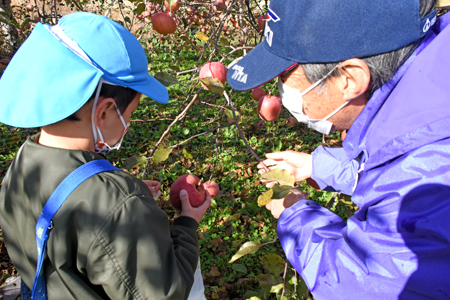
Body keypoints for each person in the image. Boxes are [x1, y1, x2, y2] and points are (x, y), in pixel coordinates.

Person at [227, 0, 450, 299]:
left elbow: (366, 282)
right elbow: (397, 159)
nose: (282, 93)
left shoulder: (428, 187)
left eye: (285, 79)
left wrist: (295, 215)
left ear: (349, 80)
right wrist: (320, 166)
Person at [0, 12, 210, 299]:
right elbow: (164, 292)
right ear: (104, 112)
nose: (129, 122)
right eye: (131, 113)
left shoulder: (24, 162)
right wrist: (187, 223)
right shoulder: (118, 203)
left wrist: (121, 197)